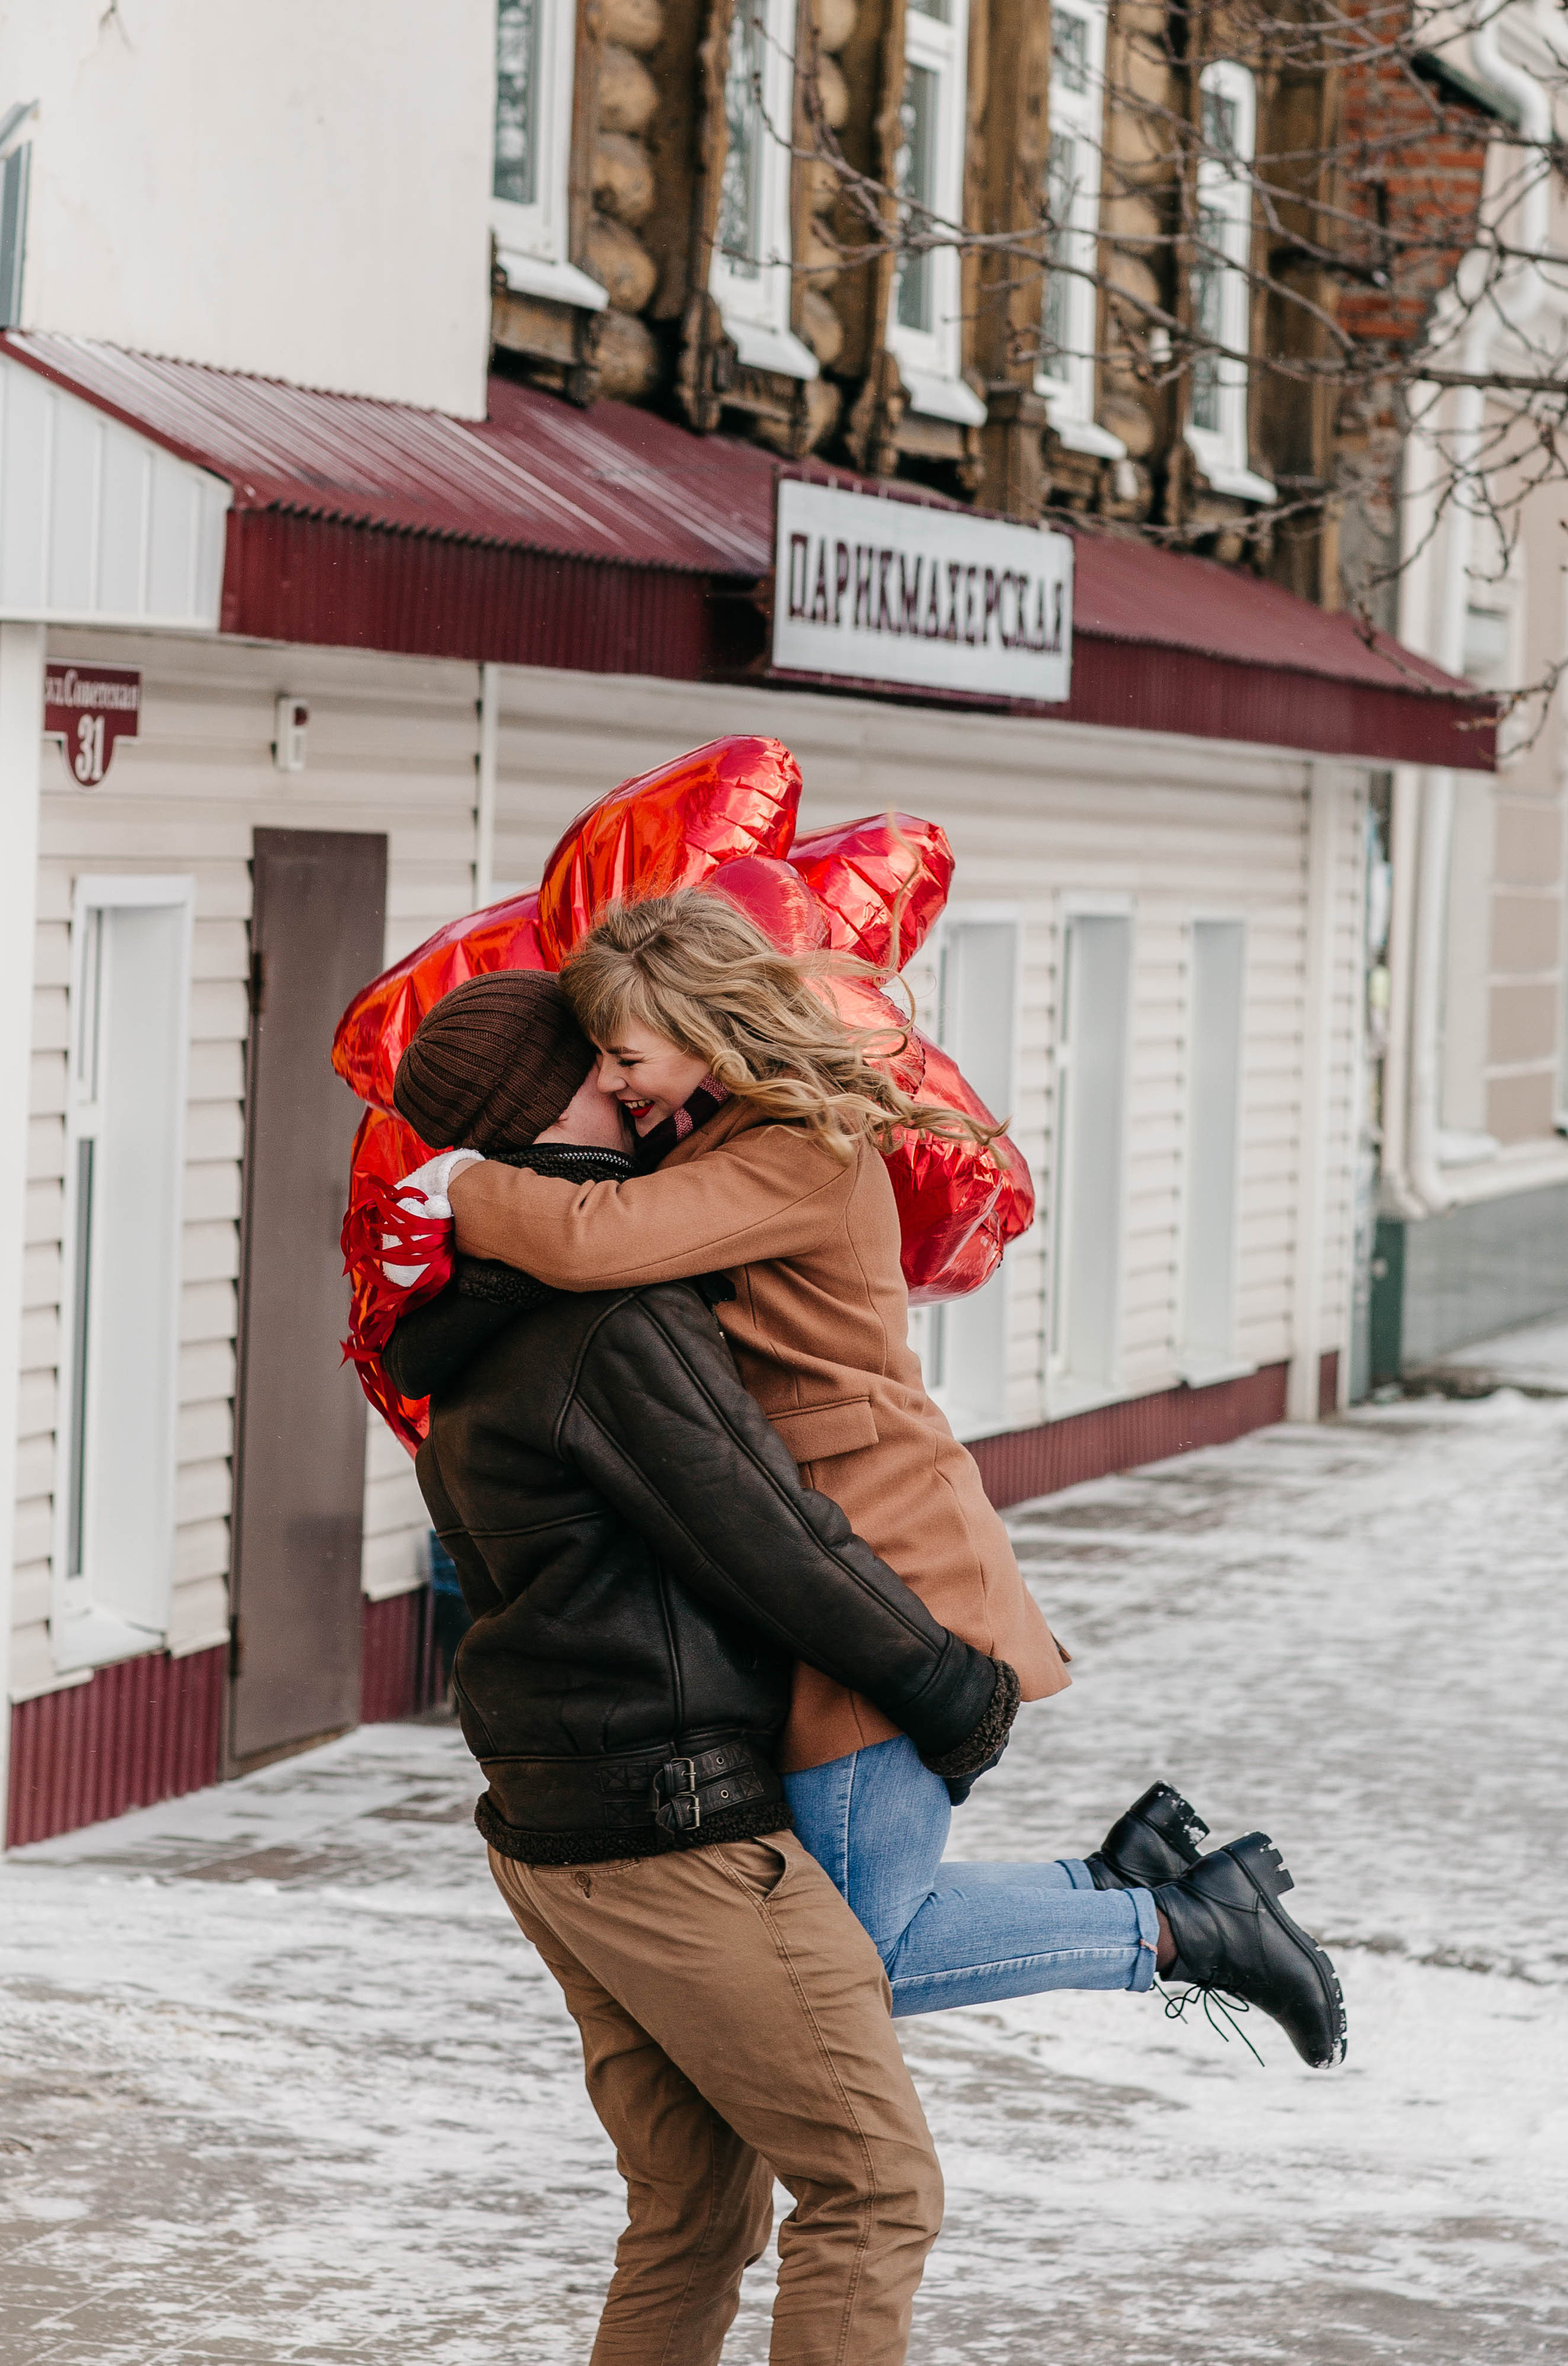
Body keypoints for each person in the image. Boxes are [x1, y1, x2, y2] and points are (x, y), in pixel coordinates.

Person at [428, 901, 1347, 2075]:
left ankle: (1180, 1929)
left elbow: (594, 1241)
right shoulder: (723, 1144)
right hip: (824, 1565)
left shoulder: (793, 1150)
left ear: (699, 1024)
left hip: (890, 1561)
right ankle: (1130, 1884)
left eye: (625, 1054)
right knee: (835, 1934)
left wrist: (458, 1189)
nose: (617, 1081)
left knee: (854, 1958)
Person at [386, 970, 1033, 2364]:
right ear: (557, 1094)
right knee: (871, 2188)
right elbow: (771, 1540)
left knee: (690, 2213)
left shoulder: (475, 1328)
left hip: (551, 1825)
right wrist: (945, 1686)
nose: (635, 1092)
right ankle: (1159, 1921)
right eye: (603, 1065)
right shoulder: (613, 1327)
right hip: (673, 1820)